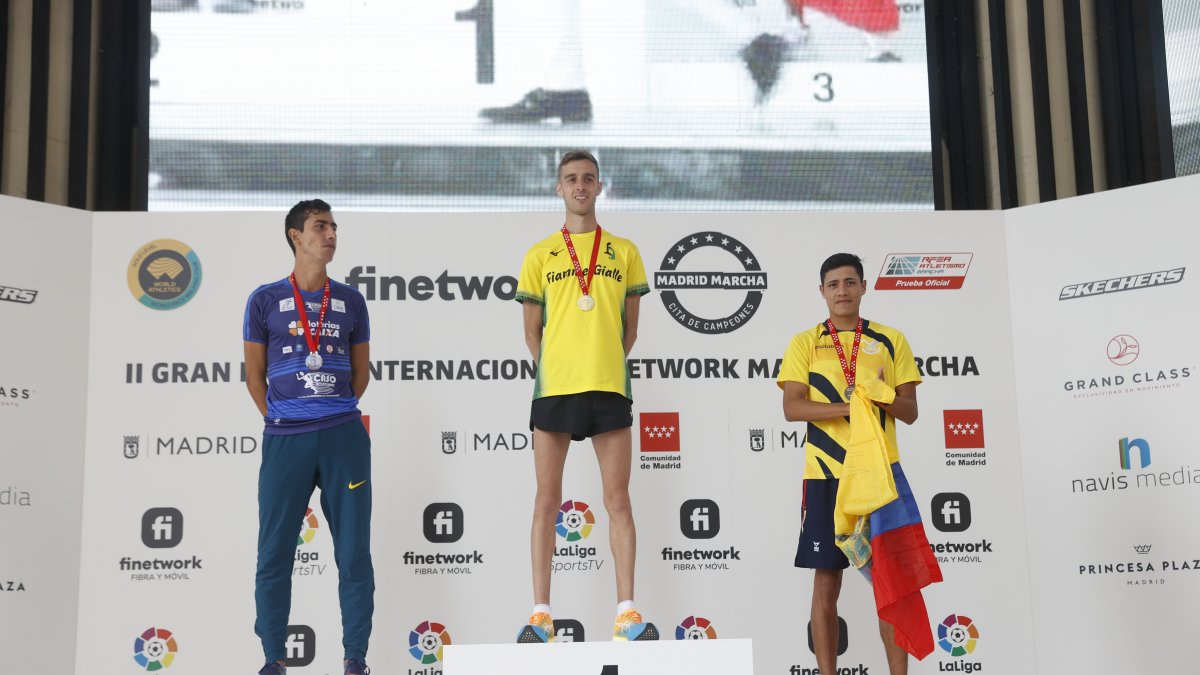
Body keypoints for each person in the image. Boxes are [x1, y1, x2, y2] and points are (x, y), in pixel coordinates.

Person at [513, 149, 658, 643]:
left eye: (589, 179)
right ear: (559, 188)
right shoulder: (538, 255)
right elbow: (531, 332)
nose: (580, 185)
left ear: (600, 188)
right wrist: (558, 366)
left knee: (618, 500)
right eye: (571, 178)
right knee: (546, 501)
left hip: (609, 387)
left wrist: (600, 362)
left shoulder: (625, 251)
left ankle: (627, 614)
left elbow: (629, 330)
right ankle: (540, 615)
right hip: (555, 389)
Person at [778, 253, 942, 675]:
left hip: (878, 472)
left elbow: (910, 410)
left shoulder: (891, 340)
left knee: (892, 582)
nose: (842, 291)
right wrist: (849, 405)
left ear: (864, 287)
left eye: (850, 283)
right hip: (826, 473)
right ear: (822, 292)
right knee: (826, 581)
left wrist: (880, 395)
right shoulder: (804, 341)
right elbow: (793, 409)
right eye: (833, 284)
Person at [243, 199, 374, 675]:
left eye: (334, 227)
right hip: (285, 440)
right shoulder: (263, 300)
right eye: (321, 227)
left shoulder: (352, 301)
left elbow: (360, 377)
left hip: (343, 435)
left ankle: (355, 658)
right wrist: (285, 417)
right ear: (296, 236)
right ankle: (273, 659)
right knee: (274, 550)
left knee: (354, 551)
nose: (331, 234)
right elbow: (254, 377)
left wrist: (329, 409)